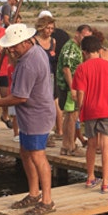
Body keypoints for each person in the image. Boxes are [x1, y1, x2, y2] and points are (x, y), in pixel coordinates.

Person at [0, 23, 57, 215]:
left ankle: (47, 200)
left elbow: (20, 97)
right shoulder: (34, 50)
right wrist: (9, 55)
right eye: (10, 45)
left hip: (37, 115)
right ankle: (33, 193)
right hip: (30, 114)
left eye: (14, 45)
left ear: (25, 42)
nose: (11, 49)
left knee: (37, 155)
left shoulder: (29, 64)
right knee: (25, 152)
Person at [72, 35, 108, 194]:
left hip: (89, 110)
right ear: (99, 50)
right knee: (105, 146)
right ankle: (105, 182)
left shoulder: (81, 68)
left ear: (84, 52)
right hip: (107, 110)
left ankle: (90, 178)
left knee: (91, 144)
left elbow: (80, 92)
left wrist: (79, 110)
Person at [56, 24, 92, 156]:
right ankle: (70, 146)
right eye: (84, 36)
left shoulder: (78, 48)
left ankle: (66, 145)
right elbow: (66, 69)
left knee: (70, 115)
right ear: (77, 34)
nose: (86, 39)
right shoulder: (70, 47)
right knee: (71, 116)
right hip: (69, 87)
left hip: (73, 86)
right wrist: (73, 89)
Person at [38, 9, 69, 138]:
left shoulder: (53, 39)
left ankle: (54, 130)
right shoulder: (61, 35)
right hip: (54, 71)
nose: (50, 30)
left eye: (51, 27)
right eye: (48, 27)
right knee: (54, 101)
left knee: (51, 101)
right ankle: (57, 130)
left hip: (50, 72)